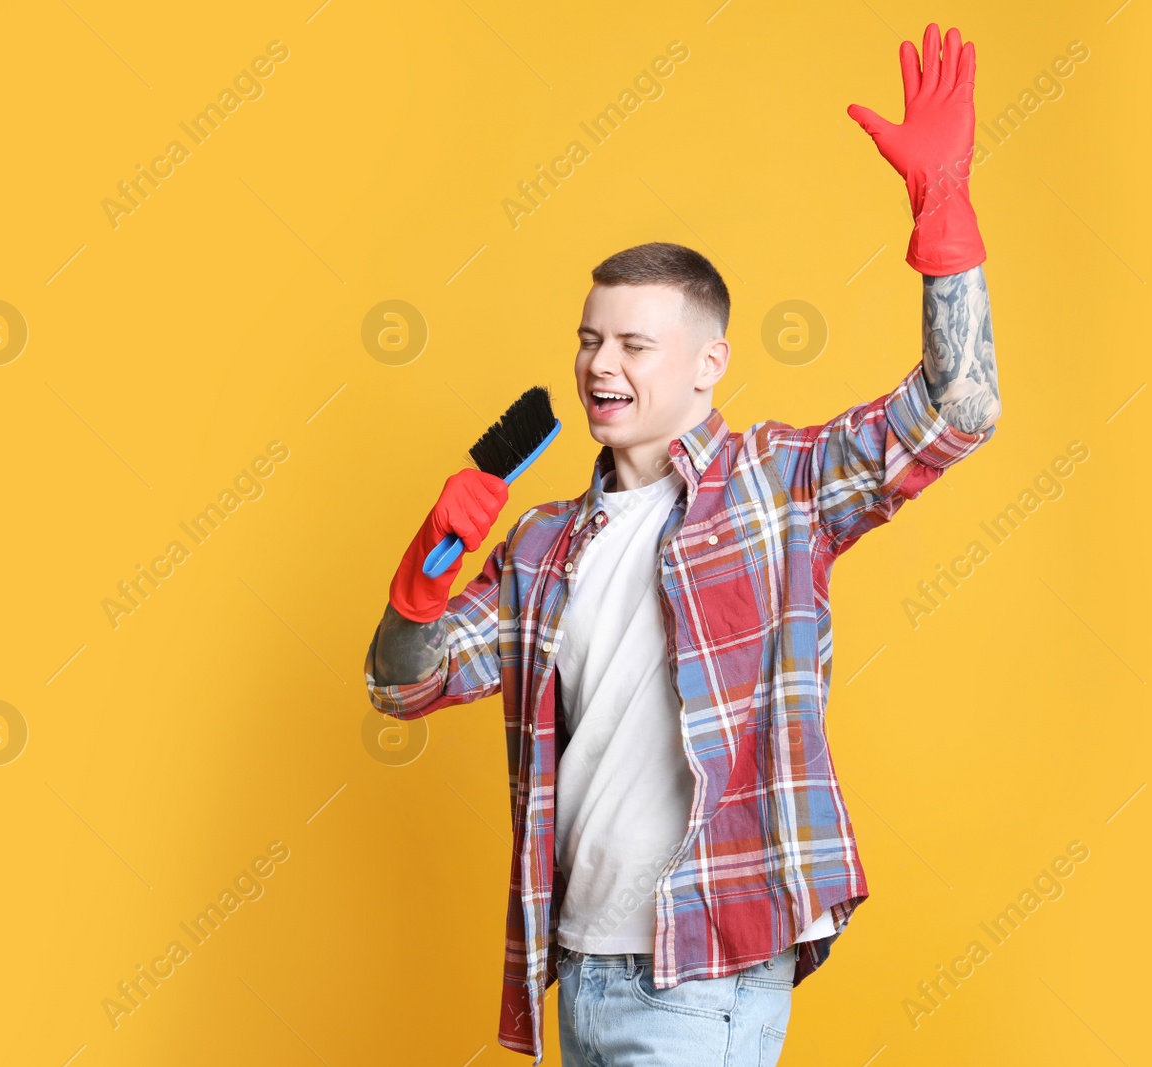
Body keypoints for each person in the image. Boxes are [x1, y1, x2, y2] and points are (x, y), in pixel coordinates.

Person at [365, 21, 1000, 1066]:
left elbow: (957, 410)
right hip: (579, 966)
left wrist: (943, 214)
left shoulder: (776, 487)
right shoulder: (540, 548)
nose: (598, 364)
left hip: (703, 967)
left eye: (630, 343)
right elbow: (400, 686)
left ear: (708, 362)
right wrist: (424, 577)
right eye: (587, 338)